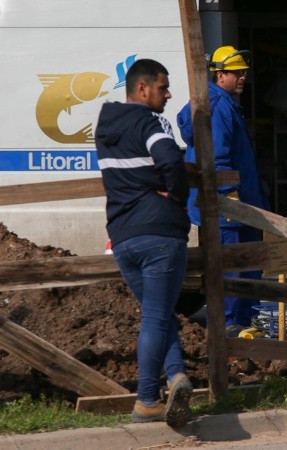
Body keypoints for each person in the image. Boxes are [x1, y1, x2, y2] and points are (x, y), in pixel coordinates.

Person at [95, 59, 193, 427]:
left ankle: (177, 375)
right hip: (160, 235)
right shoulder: (148, 123)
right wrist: (177, 198)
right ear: (142, 88)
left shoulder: (106, 127)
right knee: (155, 317)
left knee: (159, 313)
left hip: (122, 237)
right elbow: (170, 158)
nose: (167, 94)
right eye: (163, 87)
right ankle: (147, 398)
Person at [177, 45, 270, 337]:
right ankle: (229, 324)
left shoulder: (223, 101)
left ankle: (242, 321)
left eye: (244, 72)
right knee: (232, 264)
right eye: (237, 73)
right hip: (226, 205)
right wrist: (228, 195)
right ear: (220, 75)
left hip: (240, 205)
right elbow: (217, 156)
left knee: (250, 261)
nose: (243, 77)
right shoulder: (217, 104)